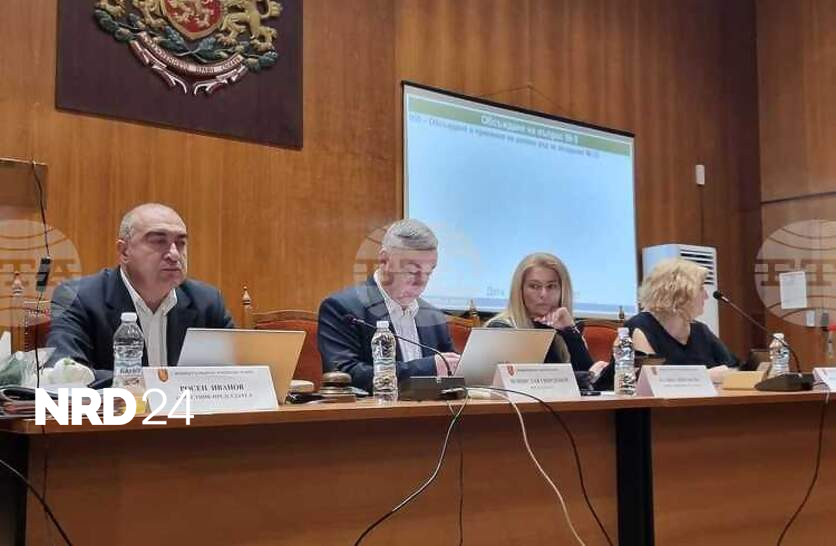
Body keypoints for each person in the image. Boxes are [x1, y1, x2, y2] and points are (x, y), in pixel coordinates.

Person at [47, 203, 235, 370]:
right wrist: (153, 385)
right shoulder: (78, 298)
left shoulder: (207, 303)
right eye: (159, 241)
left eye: (181, 243)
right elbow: (65, 373)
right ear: (124, 252)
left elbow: (238, 374)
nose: (174, 254)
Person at [318, 219, 459, 392]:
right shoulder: (343, 309)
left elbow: (452, 374)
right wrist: (427, 368)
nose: (421, 283)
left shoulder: (433, 316)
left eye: (428, 273)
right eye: (412, 271)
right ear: (384, 260)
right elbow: (343, 376)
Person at [485, 252, 609, 377]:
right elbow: (529, 381)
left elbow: (589, 381)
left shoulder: (563, 330)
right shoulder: (501, 329)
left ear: (562, 291)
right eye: (534, 286)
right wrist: (587, 376)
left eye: (551, 286)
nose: (543, 294)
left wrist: (569, 331)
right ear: (520, 290)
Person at [625, 258, 738, 368]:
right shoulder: (640, 326)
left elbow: (734, 368)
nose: (706, 296)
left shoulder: (700, 331)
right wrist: (707, 375)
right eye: (701, 288)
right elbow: (649, 375)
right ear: (680, 294)